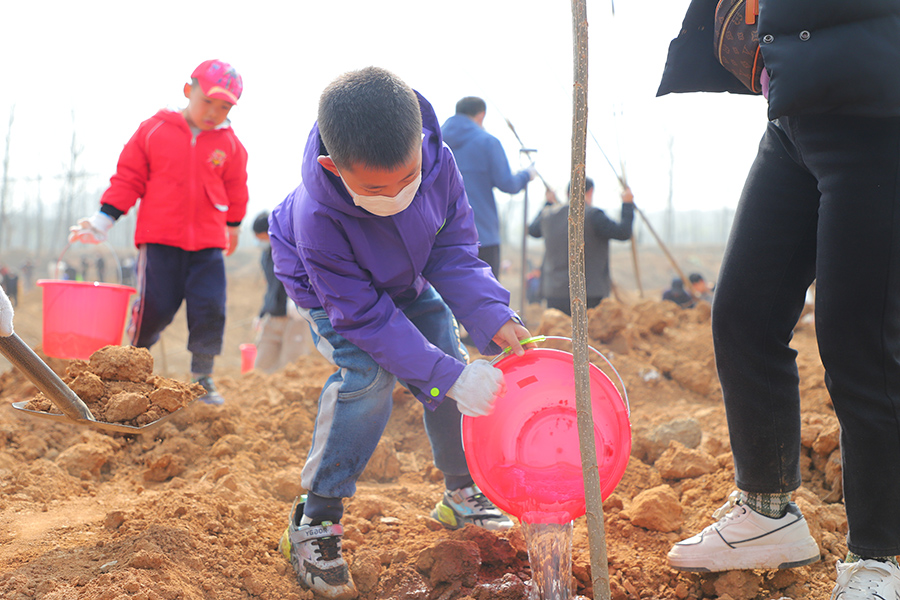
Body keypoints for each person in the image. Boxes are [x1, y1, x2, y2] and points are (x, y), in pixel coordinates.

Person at [658, 0, 900, 595]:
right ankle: (767, 513)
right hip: (791, 111)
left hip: (874, 111)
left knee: (857, 345)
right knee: (744, 314)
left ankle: (877, 557)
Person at [268, 66, 533, 600]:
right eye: (374, 187)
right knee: (367, 376)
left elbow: (454, 249)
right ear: (333, 167)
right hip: (333, 293)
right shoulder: (317, 216)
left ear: (422, 146)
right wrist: (449, 378)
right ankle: (315, 520)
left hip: (405, 272)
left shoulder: (439, 160)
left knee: (447, 357)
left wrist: (492, 317)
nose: (396, 194)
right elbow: (363, 317)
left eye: (407, 178)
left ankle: (461, 492)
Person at [68, 59, 248, 406]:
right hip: (160, 239)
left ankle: (203, 376)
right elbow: (128, 178)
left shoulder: (230, 145)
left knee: (210, 306)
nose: (214, 112)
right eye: (207, 101)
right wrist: (104, 219)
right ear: (187, 90)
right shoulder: (153, 130)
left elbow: (236, 188)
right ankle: (131, 367)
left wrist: (234, 225)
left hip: (209, 242)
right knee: (155, 306)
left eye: (224, 106)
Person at [441, 96, 534, 278]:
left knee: (445, 300)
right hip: (481, 236)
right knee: (486, 298)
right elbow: (508, 184)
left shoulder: (434, 142)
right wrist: (527, 175)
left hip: (442, 237)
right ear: (481, 115)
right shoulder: (488, 142)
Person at [527, 178, 634, 316]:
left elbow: (532, 230)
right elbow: (623, 233)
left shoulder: (548, 215)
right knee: (587, 336)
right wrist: (627, 204)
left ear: (567, 194)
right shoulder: (593, 215)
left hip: (554, 293)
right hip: (588, 294)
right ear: (590, 192)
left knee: (558, 333)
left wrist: (548, 203)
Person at [251, 211, 309, 373]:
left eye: (261, 237)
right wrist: (262, 314)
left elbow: (305, 276)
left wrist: (298, 300)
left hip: (294, 315)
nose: (259, 241)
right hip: (273, 316)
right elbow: (271, 286)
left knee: (291, 364)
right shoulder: (265, 257)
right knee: (262, 366)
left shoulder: (291, 250)